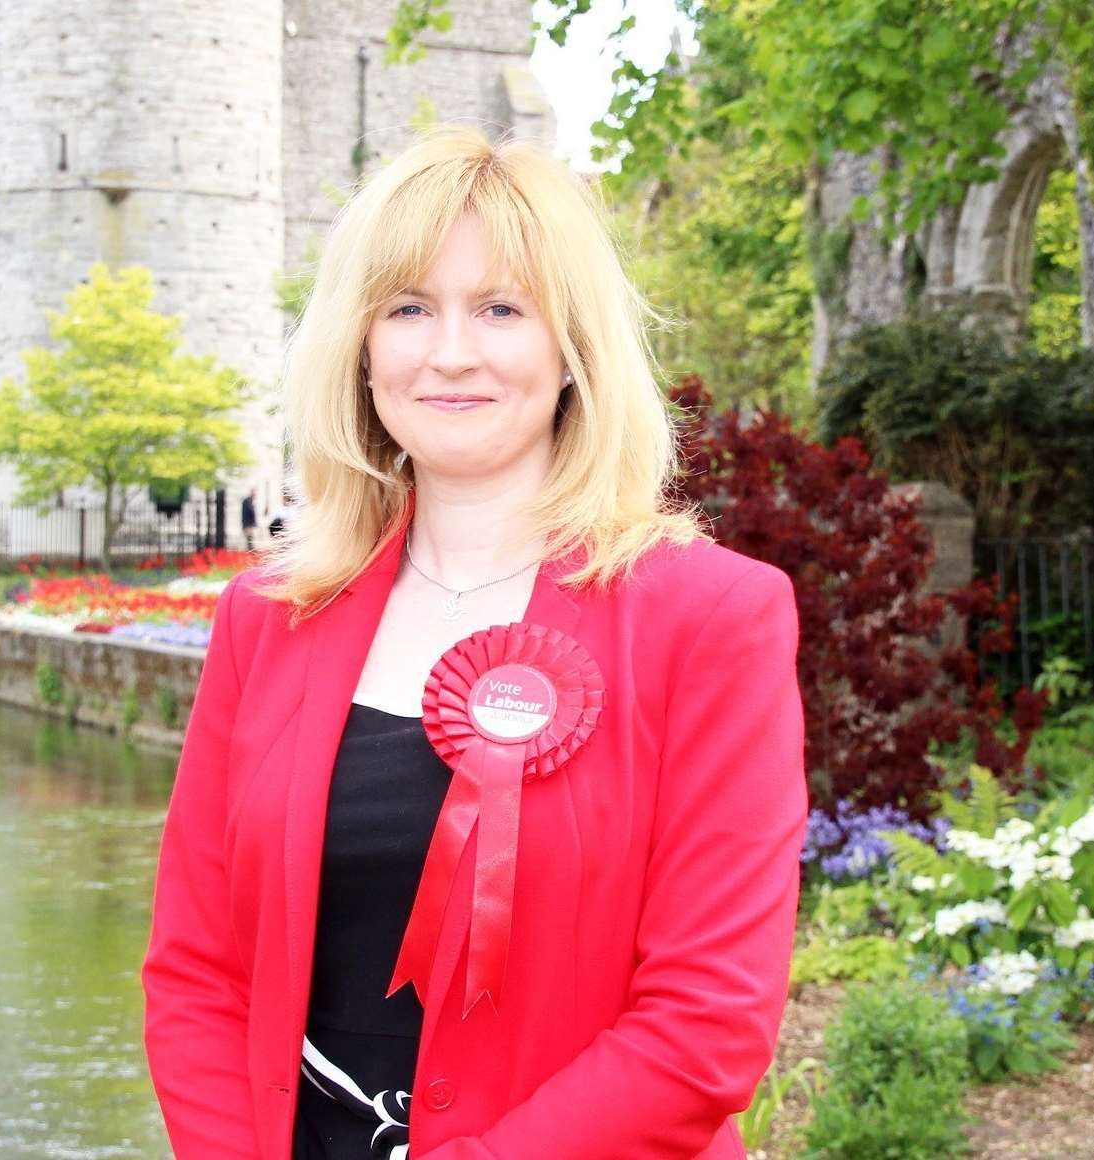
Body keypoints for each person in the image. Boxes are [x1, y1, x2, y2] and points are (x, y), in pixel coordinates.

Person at [142, 125, 806, 1160]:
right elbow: (196, 971)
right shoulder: (265, 618)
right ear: (361, 348)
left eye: (500, 307)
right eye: (409, 308)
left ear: (571, 346)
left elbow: (704, 1026)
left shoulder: (712, 617)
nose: (450, 350)